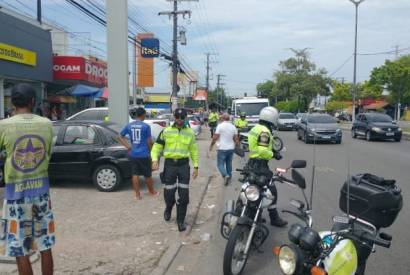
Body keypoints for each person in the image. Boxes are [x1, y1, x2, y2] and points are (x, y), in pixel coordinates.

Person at [0, 83, 55, 275]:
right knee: (45, 244)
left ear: (13, 103)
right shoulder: (47, 124)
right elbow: (47, 153)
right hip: (41, 195)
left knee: (19, 248)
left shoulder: (3, 126)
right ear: (33, 101)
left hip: (16, 196)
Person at [151, 108, 199, 232]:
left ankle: (180, 221)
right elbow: (157, 146)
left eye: (182, 117)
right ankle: (168, 207)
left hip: (183, 165)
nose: (180, 120)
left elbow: (193, 150)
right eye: (177, 117)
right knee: (169, 193)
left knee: (183, 196)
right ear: (174, 117)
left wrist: (196, 166)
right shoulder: (166, 131)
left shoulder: (190, 132)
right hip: (170, 165)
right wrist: (154, 160)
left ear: (185, 118)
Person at [247, 106, 287, 227]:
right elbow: (263, 150)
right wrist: (274, 154)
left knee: (253, 188)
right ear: (271, 118)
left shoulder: (255, 128)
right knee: (271, 190)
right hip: (260, 165)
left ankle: (255, 215)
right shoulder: (264, 131)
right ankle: (274, 218)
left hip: (251, 163)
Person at [119, 107, 158, 200]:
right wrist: (152, 152)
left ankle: (137, 195)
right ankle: (152, 192)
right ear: (143, 115)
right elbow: (149, 141)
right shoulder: (145, 126)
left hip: (133, 154)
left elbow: (120, 136)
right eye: (145, 115)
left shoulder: (129, 125)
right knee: (147, 174)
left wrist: (128, 147)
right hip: (144, 154)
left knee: (135, 174)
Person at [209, 113, 239, 185]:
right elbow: (236, 139)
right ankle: (229, 175)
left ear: (222, 119)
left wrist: (211, 145)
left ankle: (225, 175)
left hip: (222, 148)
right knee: (229, 163)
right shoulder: (233, 127)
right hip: (231, 148)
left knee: (220, 164)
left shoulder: (220, 126)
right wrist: (238, 146)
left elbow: (215, 137)